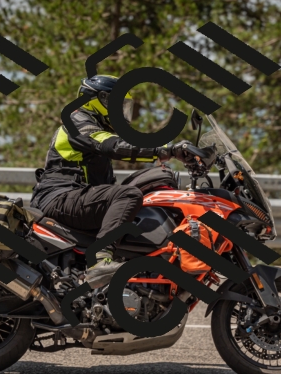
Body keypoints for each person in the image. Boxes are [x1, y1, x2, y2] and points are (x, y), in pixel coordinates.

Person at [30, 74, 195, 288]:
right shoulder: (76, 123)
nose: (122, 112)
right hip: (59, 197)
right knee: (128, 195)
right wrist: (167, 150)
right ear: (100, 99)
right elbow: (114, 146)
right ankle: (99, 261)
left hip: (74, 199)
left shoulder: (94, 128)